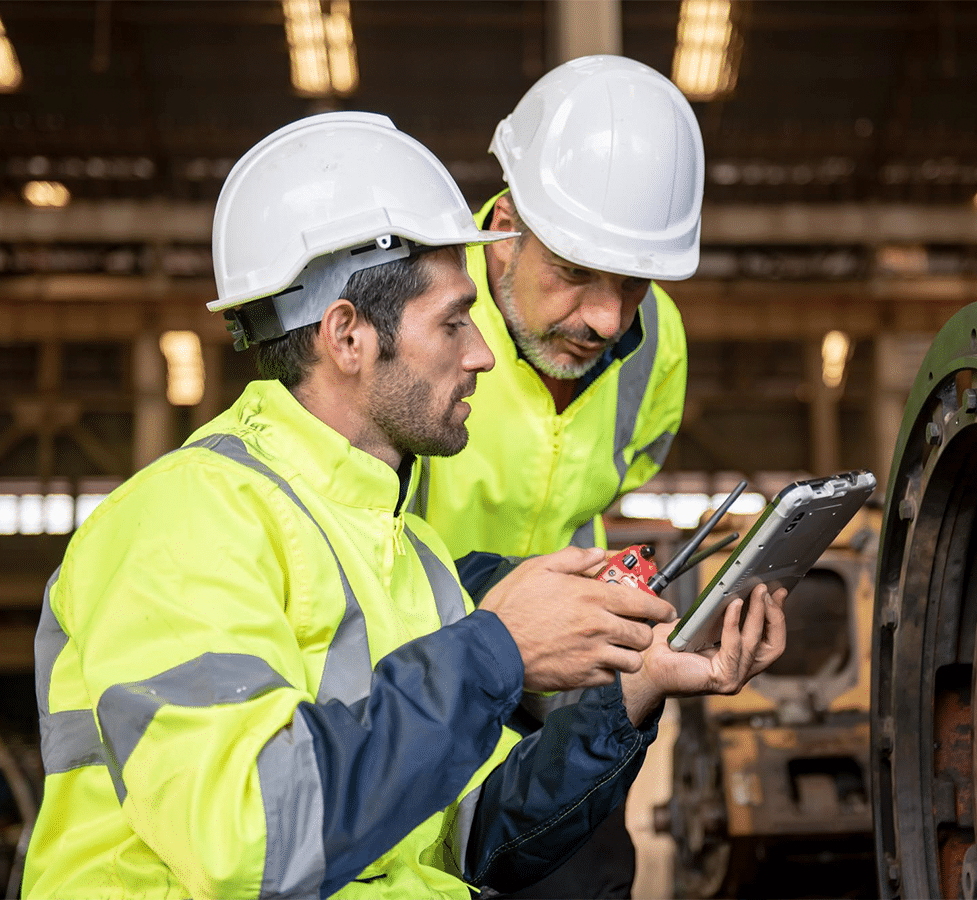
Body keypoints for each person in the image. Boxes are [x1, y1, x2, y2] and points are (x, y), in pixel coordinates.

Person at [23, 111, 786, 900]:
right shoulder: (186, 519)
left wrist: (638, 690)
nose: (483, 353)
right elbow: (256, 839)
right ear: (348, 337)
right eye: (453, 322)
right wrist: (496, 650)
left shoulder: (412, 557)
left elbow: (471, 837)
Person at [411, 55, 703, 898]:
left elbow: (620, 476)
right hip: (424, 666)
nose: (607, 318)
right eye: (574, 272)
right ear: (505, 228)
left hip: (570, 680)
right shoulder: (415, 322)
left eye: (634, 282)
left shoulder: (659, 344)